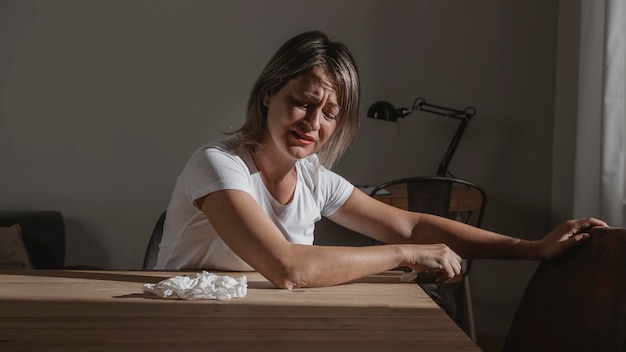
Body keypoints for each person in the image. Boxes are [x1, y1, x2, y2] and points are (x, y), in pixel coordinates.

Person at [155, 30, 607, 289]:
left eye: (330, 113)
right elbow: (288, 268)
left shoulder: (315, 179)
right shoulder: (217, 164)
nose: (314, 122)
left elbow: (412, 225)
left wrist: (534, 249)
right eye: (302, 103)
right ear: (268, 94)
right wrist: (404, 255)